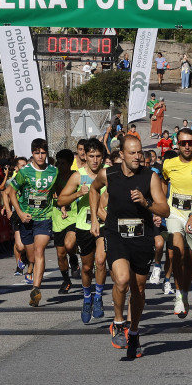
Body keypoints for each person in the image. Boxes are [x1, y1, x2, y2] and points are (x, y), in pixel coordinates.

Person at [89, 135, 169, 358]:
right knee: (122, 279)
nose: (137, 157)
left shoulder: (150, 178)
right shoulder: (109, 174)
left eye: (140, 152)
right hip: (116, 235)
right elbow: (93, 190)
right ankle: (118, 322)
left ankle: (134, 332)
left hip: (142, 238)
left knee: (139, 289)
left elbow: (165, 210)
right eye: (132, 153)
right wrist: (96, 218)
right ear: (121, 155)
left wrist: (146, 203)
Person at [58, 138, 107, 323]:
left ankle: (99, 297)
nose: (95, 160)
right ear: (84, 156)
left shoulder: (108, 174)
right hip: (83, 226)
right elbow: (61, 200)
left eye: (98, 156)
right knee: (87, 267)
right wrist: (78, 193)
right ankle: (87, 299)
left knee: (101, 262)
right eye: (91, 156)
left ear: (103, 157)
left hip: (103, 225)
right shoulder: (78, 176)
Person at [5, 139, 57, 307]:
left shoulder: (53, 171)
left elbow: (57, 192)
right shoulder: (25, 172)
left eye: (43, 153)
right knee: (31, 255)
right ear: (32, 154)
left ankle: (36, 288)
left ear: (47, 153)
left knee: (40, 250)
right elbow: (11, 192)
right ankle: (32, 269)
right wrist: (19, 213)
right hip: (26, 219)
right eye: (37, 153)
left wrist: (61, 206)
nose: (40, 156)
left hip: (44, 218)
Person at [160, 128, 192, 317]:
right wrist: (161, 204)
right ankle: (178, 295)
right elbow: (163, 183)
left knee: (190, 259)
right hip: (174, 213)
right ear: (177, 144)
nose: (187, 146)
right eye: (183, 143)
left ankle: (185, 292)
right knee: (176, 252)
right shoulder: (169, 164)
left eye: (190, 143)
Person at [50, 149, 78, 295]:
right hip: (57, 218)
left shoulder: (75, 176)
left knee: (69, 244)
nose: (60, 166)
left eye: (63, 163)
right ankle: (66, 280)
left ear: (70, 163)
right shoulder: (54, 176)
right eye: (58, 163)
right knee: (61, 254)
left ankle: (73, 258)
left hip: (73, 215)